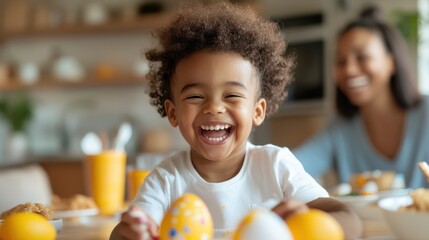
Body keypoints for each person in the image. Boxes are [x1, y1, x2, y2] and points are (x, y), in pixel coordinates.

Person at [110, 2, 362, 239]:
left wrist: (311, 221)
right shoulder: (166, 180)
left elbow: (349, 219)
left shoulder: (275, 166)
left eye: (231, 95)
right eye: (196, 96)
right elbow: (121, 233)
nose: (214, 108)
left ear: (257, 111)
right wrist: (132, 231)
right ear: (173, 112)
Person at [293, 6, 429, 189]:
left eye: (362, 57)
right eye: (341, 61)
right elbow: (292, 166)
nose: (349, 70)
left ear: (392, 62)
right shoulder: (340, 131)